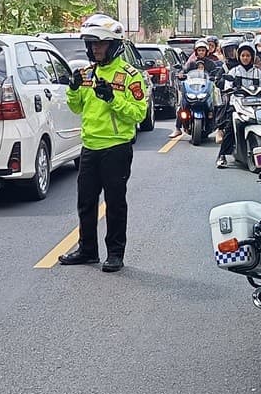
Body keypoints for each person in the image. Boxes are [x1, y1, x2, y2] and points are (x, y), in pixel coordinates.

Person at [58, 14, 148, 273]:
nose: (95, 49)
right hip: (89, 147)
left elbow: (138, 113)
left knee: (115, 202)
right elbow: (77, 107)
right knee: (85, 202)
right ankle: (87, 250)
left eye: (100, 44)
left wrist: (113, 99)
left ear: (114, 45)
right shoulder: (86, 74)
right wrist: (73, 89)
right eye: (92, 44)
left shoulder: (129, 76)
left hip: (116, 148)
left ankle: (115, 254)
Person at [216, 42, 261, 168]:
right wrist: (229, 89)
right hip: (238, 103)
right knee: (229, 127)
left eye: (248, 55)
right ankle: (222, 155)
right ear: (239, 57)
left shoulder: (258, 73)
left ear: (252, 57)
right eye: (243, 55)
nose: (245, 58)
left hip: (256, 103)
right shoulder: (234, 71)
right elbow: (227, 85)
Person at [170, 41, 218, 138]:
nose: (201, 52)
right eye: (199, 50)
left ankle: (220, 130)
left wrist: (216, 77)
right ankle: (177, 128)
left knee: (218, 105)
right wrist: (181, 74)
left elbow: (216, 73)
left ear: (206, 51)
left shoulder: (211, 64)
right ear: (196, 52)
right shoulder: (191, 63)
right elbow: (184, 71)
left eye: (203, 50)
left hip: (206, 90)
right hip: (193, 90)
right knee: (181, 105)